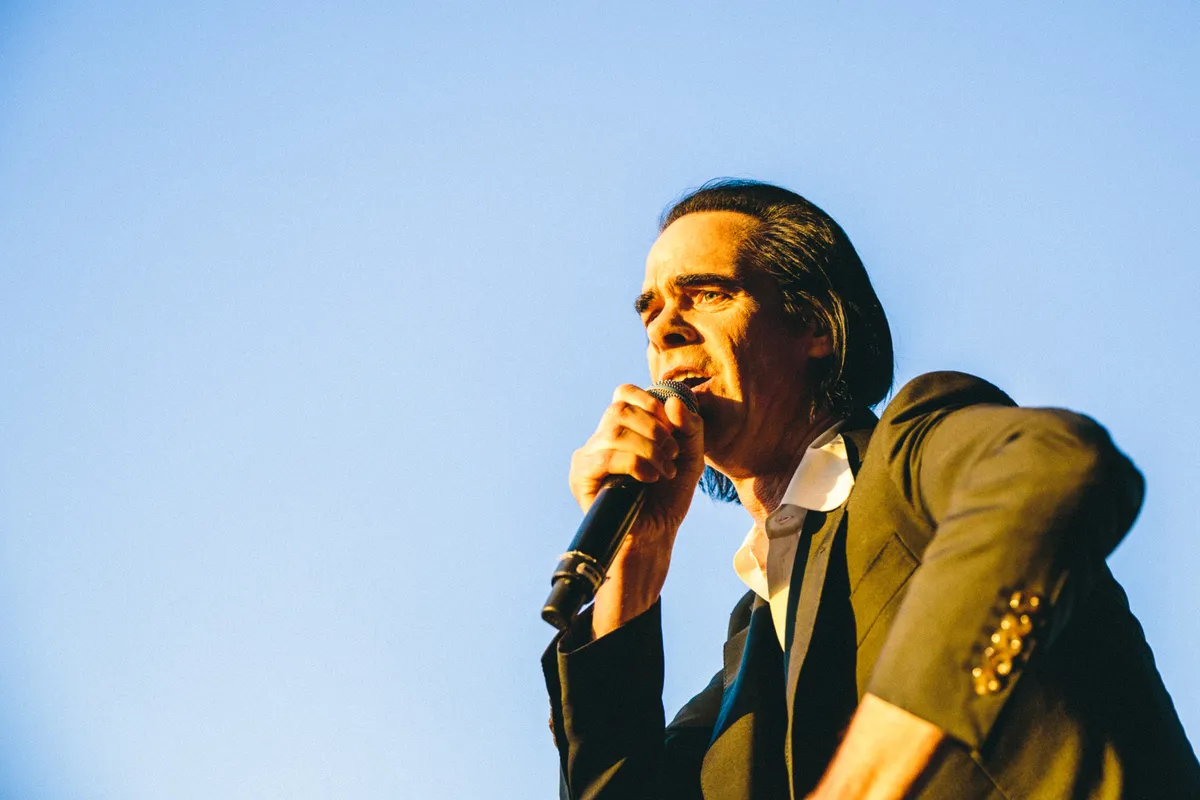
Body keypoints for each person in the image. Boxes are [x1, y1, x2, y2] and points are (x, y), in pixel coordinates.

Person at [541, 180, 1200, 799]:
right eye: (652, 312)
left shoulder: (905, 460)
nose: (664, 328)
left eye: (708, 293)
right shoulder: (750, 663)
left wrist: (869, 770)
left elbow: (1053, 464)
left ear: (816, 328)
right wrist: (635, 563)